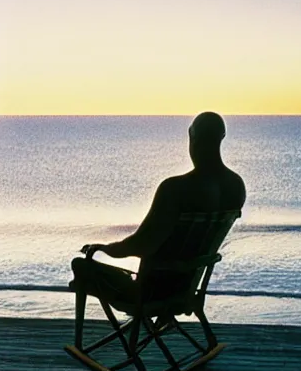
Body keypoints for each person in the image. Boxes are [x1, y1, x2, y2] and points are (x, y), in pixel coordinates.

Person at [70, 111, 246, 303]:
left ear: (191, 136)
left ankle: (84, 333)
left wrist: (105, 249)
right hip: (186, 291)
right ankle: (160, 322)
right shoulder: (236, 186)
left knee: (81, 266)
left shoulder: (175, 188)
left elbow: (143, 244)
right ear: (222, 137)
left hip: (149, 293)